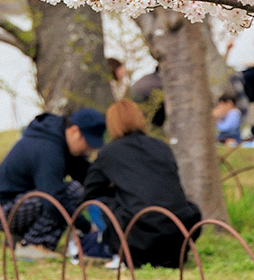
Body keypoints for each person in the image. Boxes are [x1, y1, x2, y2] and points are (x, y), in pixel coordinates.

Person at [83, 101, 202, 268]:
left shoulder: (109, 153)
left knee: (95, 203)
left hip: (138, 232)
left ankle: (117, 250)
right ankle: (168, 255)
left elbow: (90, 191)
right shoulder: (162, 147)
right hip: (179, 230)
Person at [0, 108, 105, 261]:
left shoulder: (59, 140)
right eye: (88, 143)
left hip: (19, 204)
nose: (89, 150)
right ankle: (33, 244)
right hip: (2, 211)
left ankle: (22, 237)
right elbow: (52, 200)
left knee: (68, 191)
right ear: (75, 131)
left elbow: (87, 176)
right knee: (70, 192)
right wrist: (86, 226)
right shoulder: (48, 150)